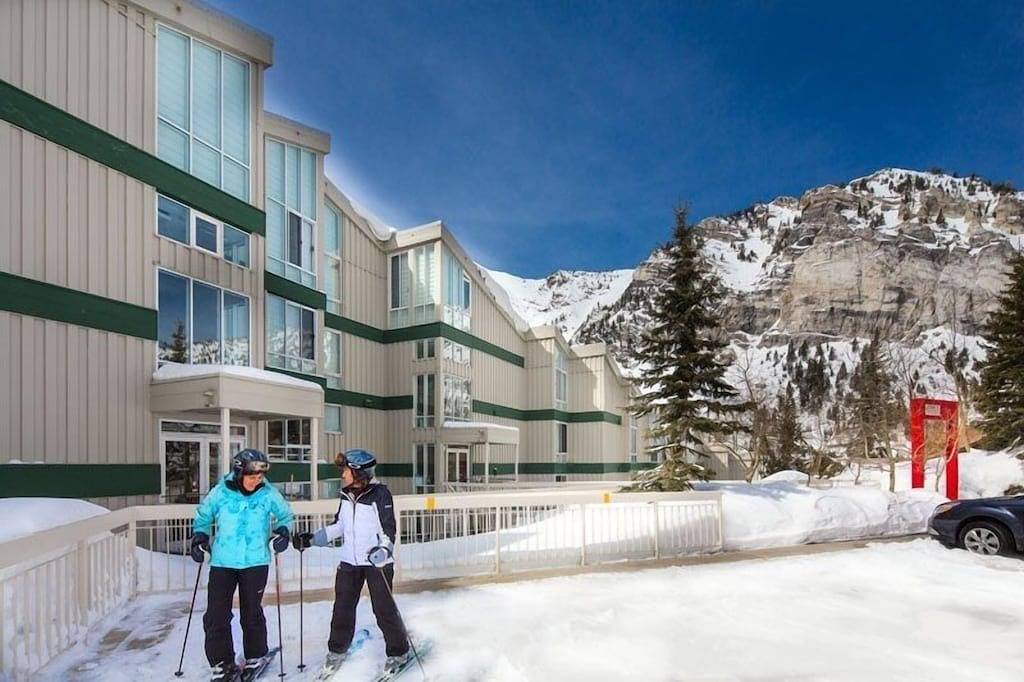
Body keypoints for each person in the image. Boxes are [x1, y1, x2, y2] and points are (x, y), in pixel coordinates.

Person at [293, 449, 411, 678]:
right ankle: (336, 650)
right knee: (342, 608)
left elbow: (389, 530)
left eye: (346, 471)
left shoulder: (380, 494)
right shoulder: (346, 495)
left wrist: (383, 550)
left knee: (383, 609)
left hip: (376, 562)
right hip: (350, 560)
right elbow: (339, 526)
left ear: (358, 473)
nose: (343, 475)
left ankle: (399, 652)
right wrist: (312, 539)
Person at [190, 449, 294, 681]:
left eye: (260, 476)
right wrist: (199, 538)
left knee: (251, 612)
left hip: (256, 562)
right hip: (222, 563)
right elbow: (203, 518)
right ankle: (222, 662)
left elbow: (286, 516)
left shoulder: (268, 494)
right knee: (216, 614)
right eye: (252, 476)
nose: (257, 481)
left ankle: (256, 655)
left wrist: (283, 532)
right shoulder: (220, 492)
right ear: (239, 473)